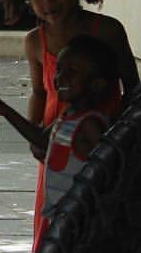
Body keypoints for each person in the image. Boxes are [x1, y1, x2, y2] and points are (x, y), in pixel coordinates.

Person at [0, 0, 139, 253]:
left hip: (101, 145)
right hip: (55, 148)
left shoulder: (108, 30)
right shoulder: (34, 42)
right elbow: (39, 92)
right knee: (54, 223)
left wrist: (121, 133)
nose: (47, 1)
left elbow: (132, 86)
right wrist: (34, 134)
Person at [41, 34, 120, 219]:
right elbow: (40, 139)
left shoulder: (89, 124)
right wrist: (4, 110)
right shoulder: (67, 117)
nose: (60, 78)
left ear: (97, 84)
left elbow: (109, 169)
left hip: (79, 216)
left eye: (72, 72)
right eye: (58, 69)